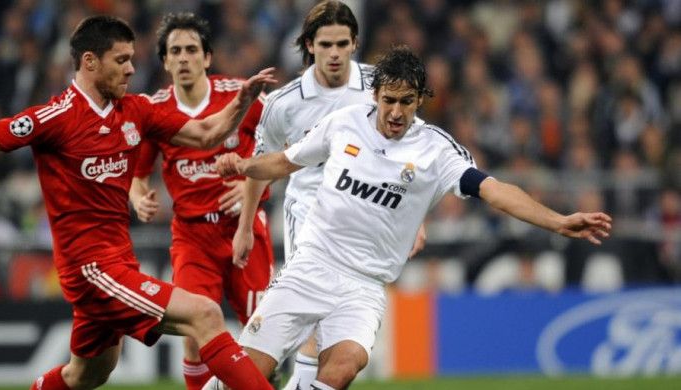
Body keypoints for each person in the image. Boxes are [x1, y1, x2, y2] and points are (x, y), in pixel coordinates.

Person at [209, 47, 612, 390]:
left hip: (364, 284)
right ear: (375, 96)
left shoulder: (436, 151)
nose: (396, 112)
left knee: (347, 362)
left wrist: (557, 221)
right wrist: (243, 167)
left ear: (421, 100)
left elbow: (495, 191)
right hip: (311, 265)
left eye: (406, 101)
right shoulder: (343, 125)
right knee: (247, 373)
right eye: (389, 100)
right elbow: (283, 161)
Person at [0, 15, 276, 390]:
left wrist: (242, 101)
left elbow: (207, 133)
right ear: (90, 61)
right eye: (121, 60)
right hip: (90, 269)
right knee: (204, 314)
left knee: (88, 374)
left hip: (118, 261)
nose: (131, 69)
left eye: (131, 59)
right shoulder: (57, 117)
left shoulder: (135, 110)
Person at [230, 2, 426, 388]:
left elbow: (415, 151)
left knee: (338, 345)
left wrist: (413, 220)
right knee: (314, 324)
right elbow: (262, 164)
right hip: (308, 214)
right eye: (325, 44)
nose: (334, 53)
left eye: (341, 43)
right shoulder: (284, 103)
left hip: (366, 215)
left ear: (354, 43)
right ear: (309, 45)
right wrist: (245, 226)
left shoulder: (378, 87)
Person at [129, 13, 274, 390]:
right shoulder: (154, 110)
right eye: (174, 51)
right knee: (195, 331)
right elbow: (137, 173)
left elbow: (283, 151)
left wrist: (248, 188)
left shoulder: (241, 95)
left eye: (191, 49)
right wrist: (138, 197)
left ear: (207, 57)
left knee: (263, 334)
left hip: (244, 228)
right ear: (164, 61)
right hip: (192, 236)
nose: (183, 58)